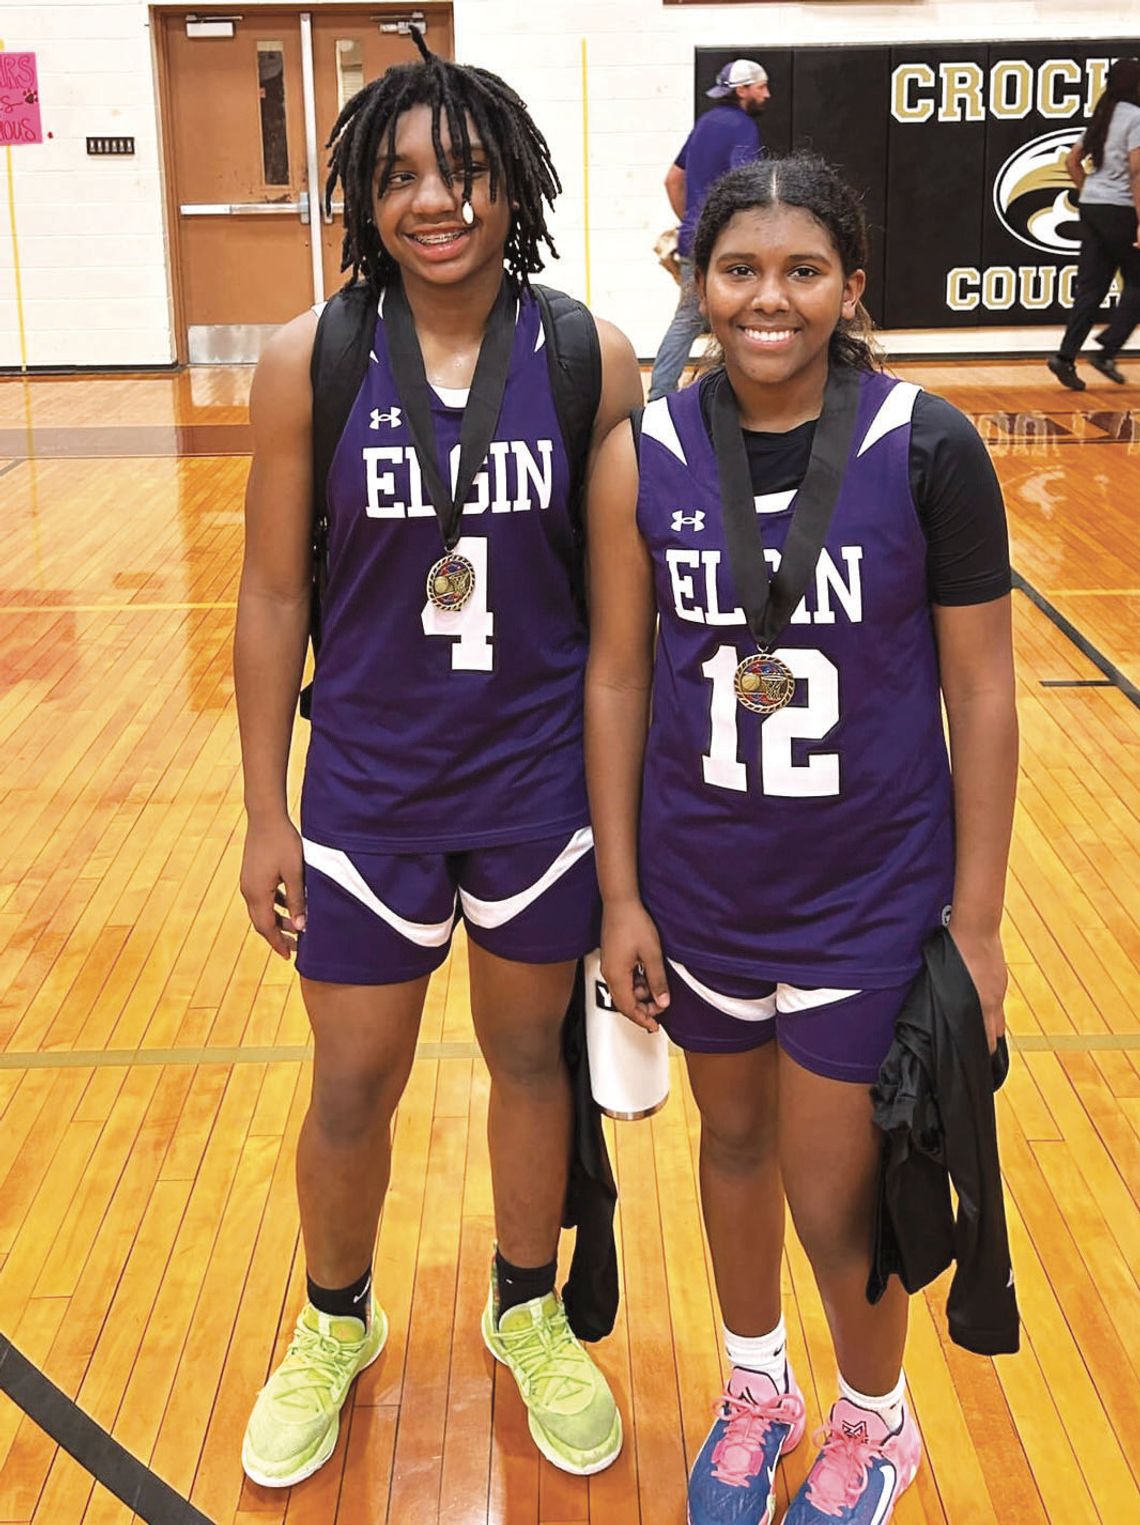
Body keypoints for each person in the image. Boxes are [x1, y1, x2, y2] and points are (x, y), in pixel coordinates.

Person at [234, 32, 642, 1489]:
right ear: (362, 195)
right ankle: (334, 1320)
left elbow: (619, 614)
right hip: (365, 790)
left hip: (536, 784)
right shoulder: (311, 359)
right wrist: (259, 811)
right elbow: (275, 595)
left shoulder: (591, 353)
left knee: (529, 1057)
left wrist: (628, 836)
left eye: (462, 170)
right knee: (354, 1077)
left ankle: (526, 1308)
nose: (434, 200)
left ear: (511, 184)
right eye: (400, 175)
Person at [585, 152, 1018, 1525]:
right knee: (730, 1144)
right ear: (695, 283)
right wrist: (622, 896)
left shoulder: (927, 444)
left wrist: (983, 921)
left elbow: (984, 693)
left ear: (852, 288)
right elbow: (615, 678)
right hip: (702, 883)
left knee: (840, 1190)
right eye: (740, 270)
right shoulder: (640, 456)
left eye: (803, 270)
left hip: (868, 896)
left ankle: (875, 1422)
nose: (769, 299)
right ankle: (755, 1385)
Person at [648, 59, 770, 401]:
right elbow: (744, 184)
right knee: (739, 315)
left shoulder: (706, 122)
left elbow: (673, 179)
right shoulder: (742, 127)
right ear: (742, 90)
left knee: (688, 319)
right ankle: (733, 394)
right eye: (761, 87)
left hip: (694, 240)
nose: (767, 94)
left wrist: (691, 221)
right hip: (724, 244)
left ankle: (659, 395)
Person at [1048, 56, 1140, 390]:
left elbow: (1073, 160)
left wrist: (1090, 192)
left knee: (1091, 287)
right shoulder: (1135, 118)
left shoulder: (1102, 116)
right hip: (1121, 210)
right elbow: (1136, 172)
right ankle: (1108, 349)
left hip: (1093, 207)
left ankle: (1065, 356)